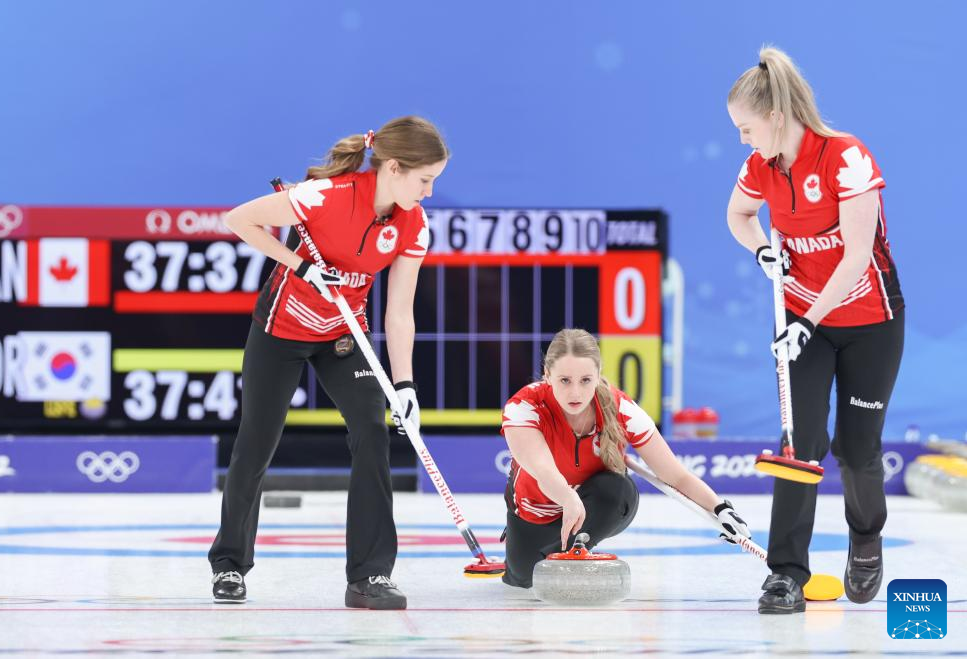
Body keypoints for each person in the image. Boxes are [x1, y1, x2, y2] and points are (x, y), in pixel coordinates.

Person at [208, 116, 448, 610]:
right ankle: (229, 564)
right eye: (425, 180)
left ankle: (370, 575)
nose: (428, 192)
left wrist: (405, 385)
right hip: (280, 330)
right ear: (395, 168)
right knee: (256, 443)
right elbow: (238, 220)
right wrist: (301, 266)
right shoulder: (325, 196)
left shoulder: (413, 224)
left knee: (372, 431)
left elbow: (399, 312)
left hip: (342, 334)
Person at [726, 47, 904, 614]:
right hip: (803, 322)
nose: (743, 140)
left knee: (857, 449)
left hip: (869, 322)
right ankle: (786, 574)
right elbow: (738, 215)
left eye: (747, 128)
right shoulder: (762, 166)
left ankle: (866, 537)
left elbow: (856, 257)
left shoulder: (845, 157)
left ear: (776, 116)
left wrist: (807, 320)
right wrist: (763, 252)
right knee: (799, 444)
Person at [499, 328, 752, 589]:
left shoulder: (621, 409)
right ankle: (535, 554)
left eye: (585, 380)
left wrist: (720, 509)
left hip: (588, 511)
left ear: (598, 374)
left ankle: (576, 551)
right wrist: (568, 498)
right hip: (534, 513)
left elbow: (675, 475)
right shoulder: (524, 407)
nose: (575, 393)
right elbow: (544, 471)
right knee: (524, 579)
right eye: (565, 380)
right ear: (547, 375)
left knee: (617, 489)